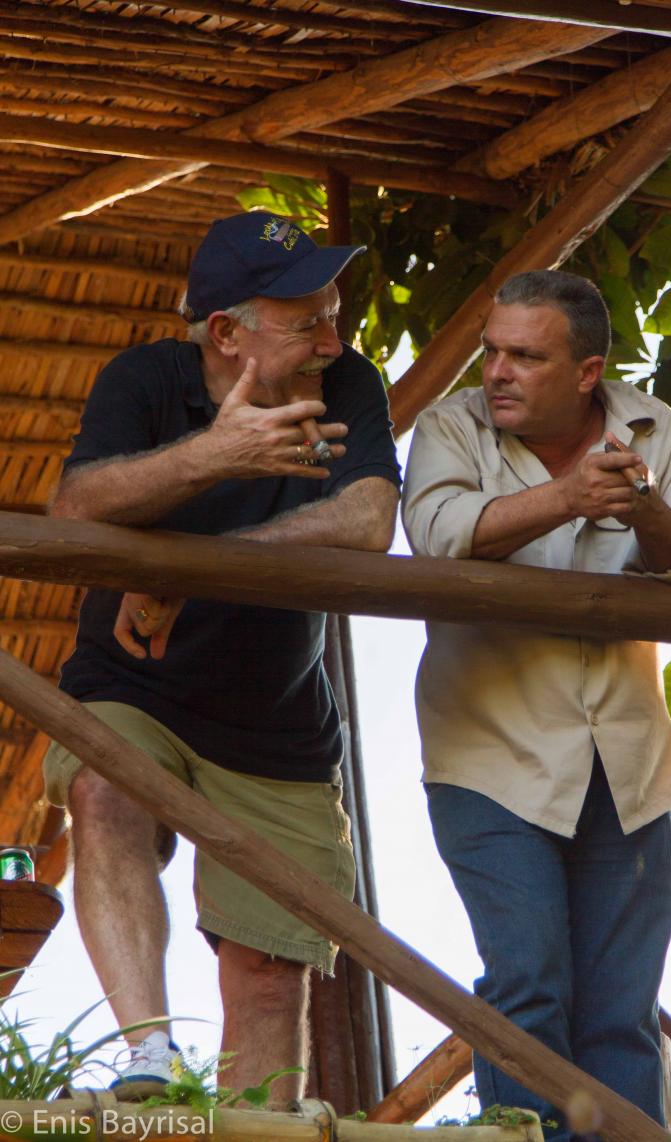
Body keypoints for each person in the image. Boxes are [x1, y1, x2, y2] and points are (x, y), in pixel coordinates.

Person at [43, 212, 400, 1104]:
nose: (331, 340)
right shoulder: (144, 378)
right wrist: (214, 455)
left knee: (270, 971)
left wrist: (198, 573)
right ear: (226, 333)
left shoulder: (347, 379)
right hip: (134, 685)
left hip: (277, 721)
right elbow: (74, 508)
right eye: (306, 321)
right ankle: (148, 1055)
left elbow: (367, 520)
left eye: (333, 314)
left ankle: (258, 1124)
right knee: (103, 790)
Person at [402, 270, 671, 1139]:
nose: (495, 372)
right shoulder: (448, 426)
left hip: (626, 762)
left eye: (523, 356)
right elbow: (435, 534)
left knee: (622, 1009)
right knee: (527, 981)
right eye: (490, 351)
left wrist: (643, 507)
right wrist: (568, 497)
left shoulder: (655, 427)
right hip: (488, 758)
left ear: (587, 373)